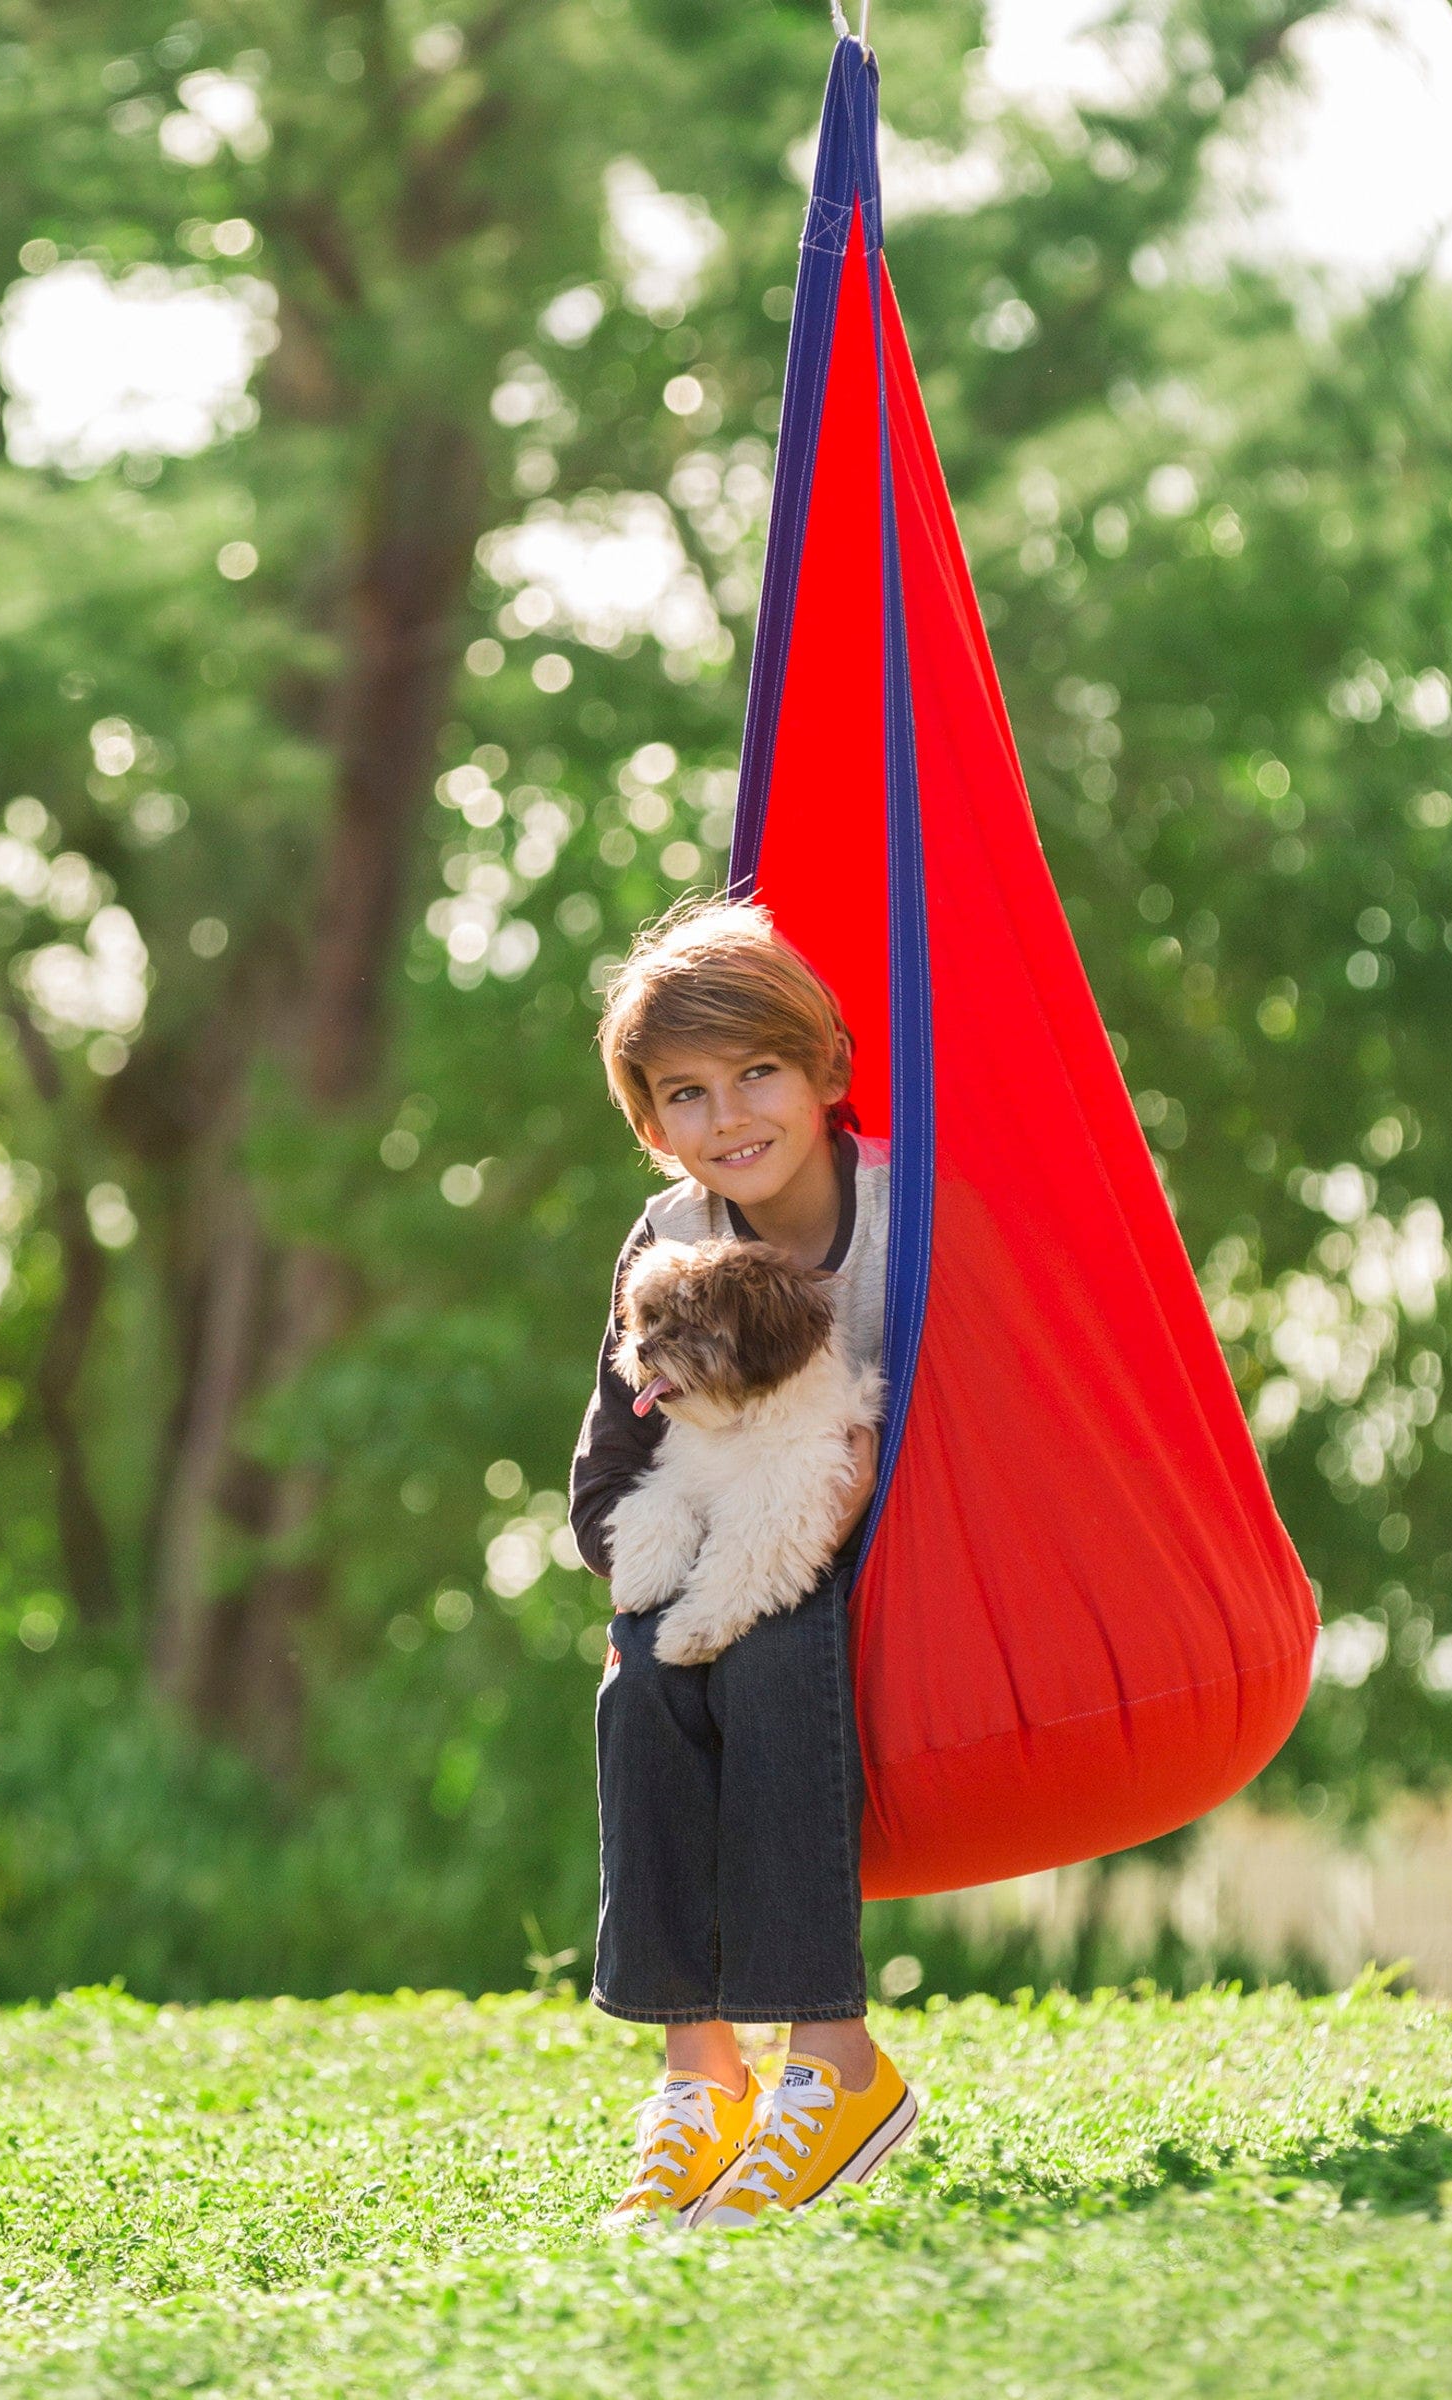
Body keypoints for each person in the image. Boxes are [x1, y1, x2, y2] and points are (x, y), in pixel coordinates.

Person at [569, 897, 920, 2230]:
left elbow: (987, 1429)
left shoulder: (909, 1218)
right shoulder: (666, 1240)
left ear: (827, 1070)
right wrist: (645, 1577)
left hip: (898, 1583)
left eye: (757, 1073)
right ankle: (699, 2071)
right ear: (652, 1122)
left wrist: (825, 1524)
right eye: (686, 1094)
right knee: (645, 1672)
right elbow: (605, 1475)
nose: (728, 1118)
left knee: (770, 1651)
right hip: (724, 1544)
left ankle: (832, 2060)